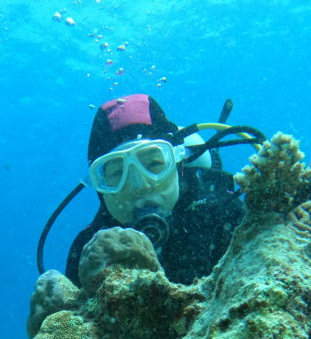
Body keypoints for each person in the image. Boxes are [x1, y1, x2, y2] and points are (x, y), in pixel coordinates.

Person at [65, 94, 247, 285]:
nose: (140, 186)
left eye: (153, 164)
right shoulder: (87, 253)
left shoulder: (226, 215)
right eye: (118, 173)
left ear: (178, 162)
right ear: (100, 187)